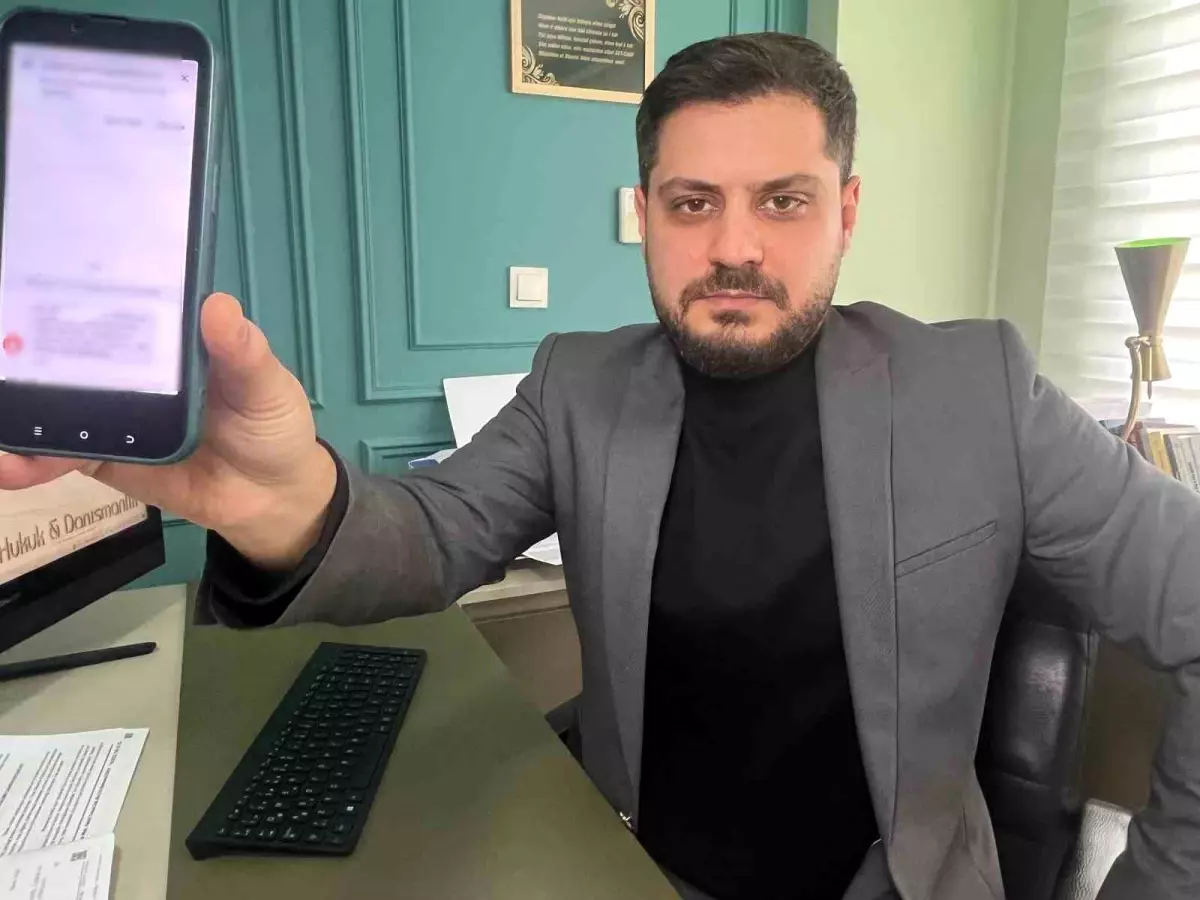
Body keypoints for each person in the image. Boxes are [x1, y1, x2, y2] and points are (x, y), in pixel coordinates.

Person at [1, 32, 1198, 900]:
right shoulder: (576, 386)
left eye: (783, 201)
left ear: (846, 209)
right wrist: (299, 507)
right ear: (646, 211)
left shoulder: (980, 391)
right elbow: (432, 533)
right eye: (693, 202)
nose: (734, 247)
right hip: (630, 866)